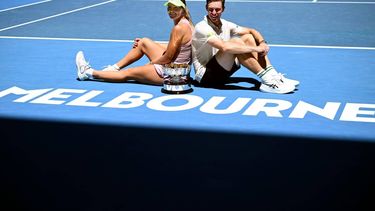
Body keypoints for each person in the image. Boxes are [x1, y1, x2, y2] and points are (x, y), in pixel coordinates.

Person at [75, 0, 194, 86]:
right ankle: (113, 68)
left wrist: (151, 64)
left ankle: (87, 72)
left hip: (172, 74)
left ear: (183, 9)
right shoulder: (186, 23)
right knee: (144, 42)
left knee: (128, 73)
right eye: (169, 8)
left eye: (175, 8)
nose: (171, 11)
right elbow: (178, 48)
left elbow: (168, 57)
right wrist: (154, 45)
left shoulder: (178, 28)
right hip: (177, 68)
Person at [192, 0, 299, 94]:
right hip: (206, 77)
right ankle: (268, 81)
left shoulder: (225, 24)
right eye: (210, 9)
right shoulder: (201, 27)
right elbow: (225, 47)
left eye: (217, 9)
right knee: (235, 42)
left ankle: (272, 75)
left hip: (223, 69)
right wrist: (256, 49)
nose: (214, 13)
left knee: (247, 37)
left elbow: (251, 31)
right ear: (206, 8)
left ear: (223, 9)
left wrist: (262, 43)